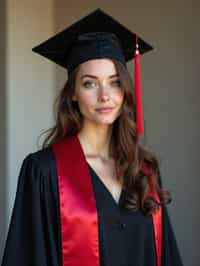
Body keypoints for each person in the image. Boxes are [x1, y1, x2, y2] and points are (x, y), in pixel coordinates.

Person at [1, 8, 183, 266]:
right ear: (73, 92)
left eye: (114, 81)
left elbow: (167, 256)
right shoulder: (44, 171)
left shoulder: (144, 170)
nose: (105, 95)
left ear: (125, 90)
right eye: (90, 83)